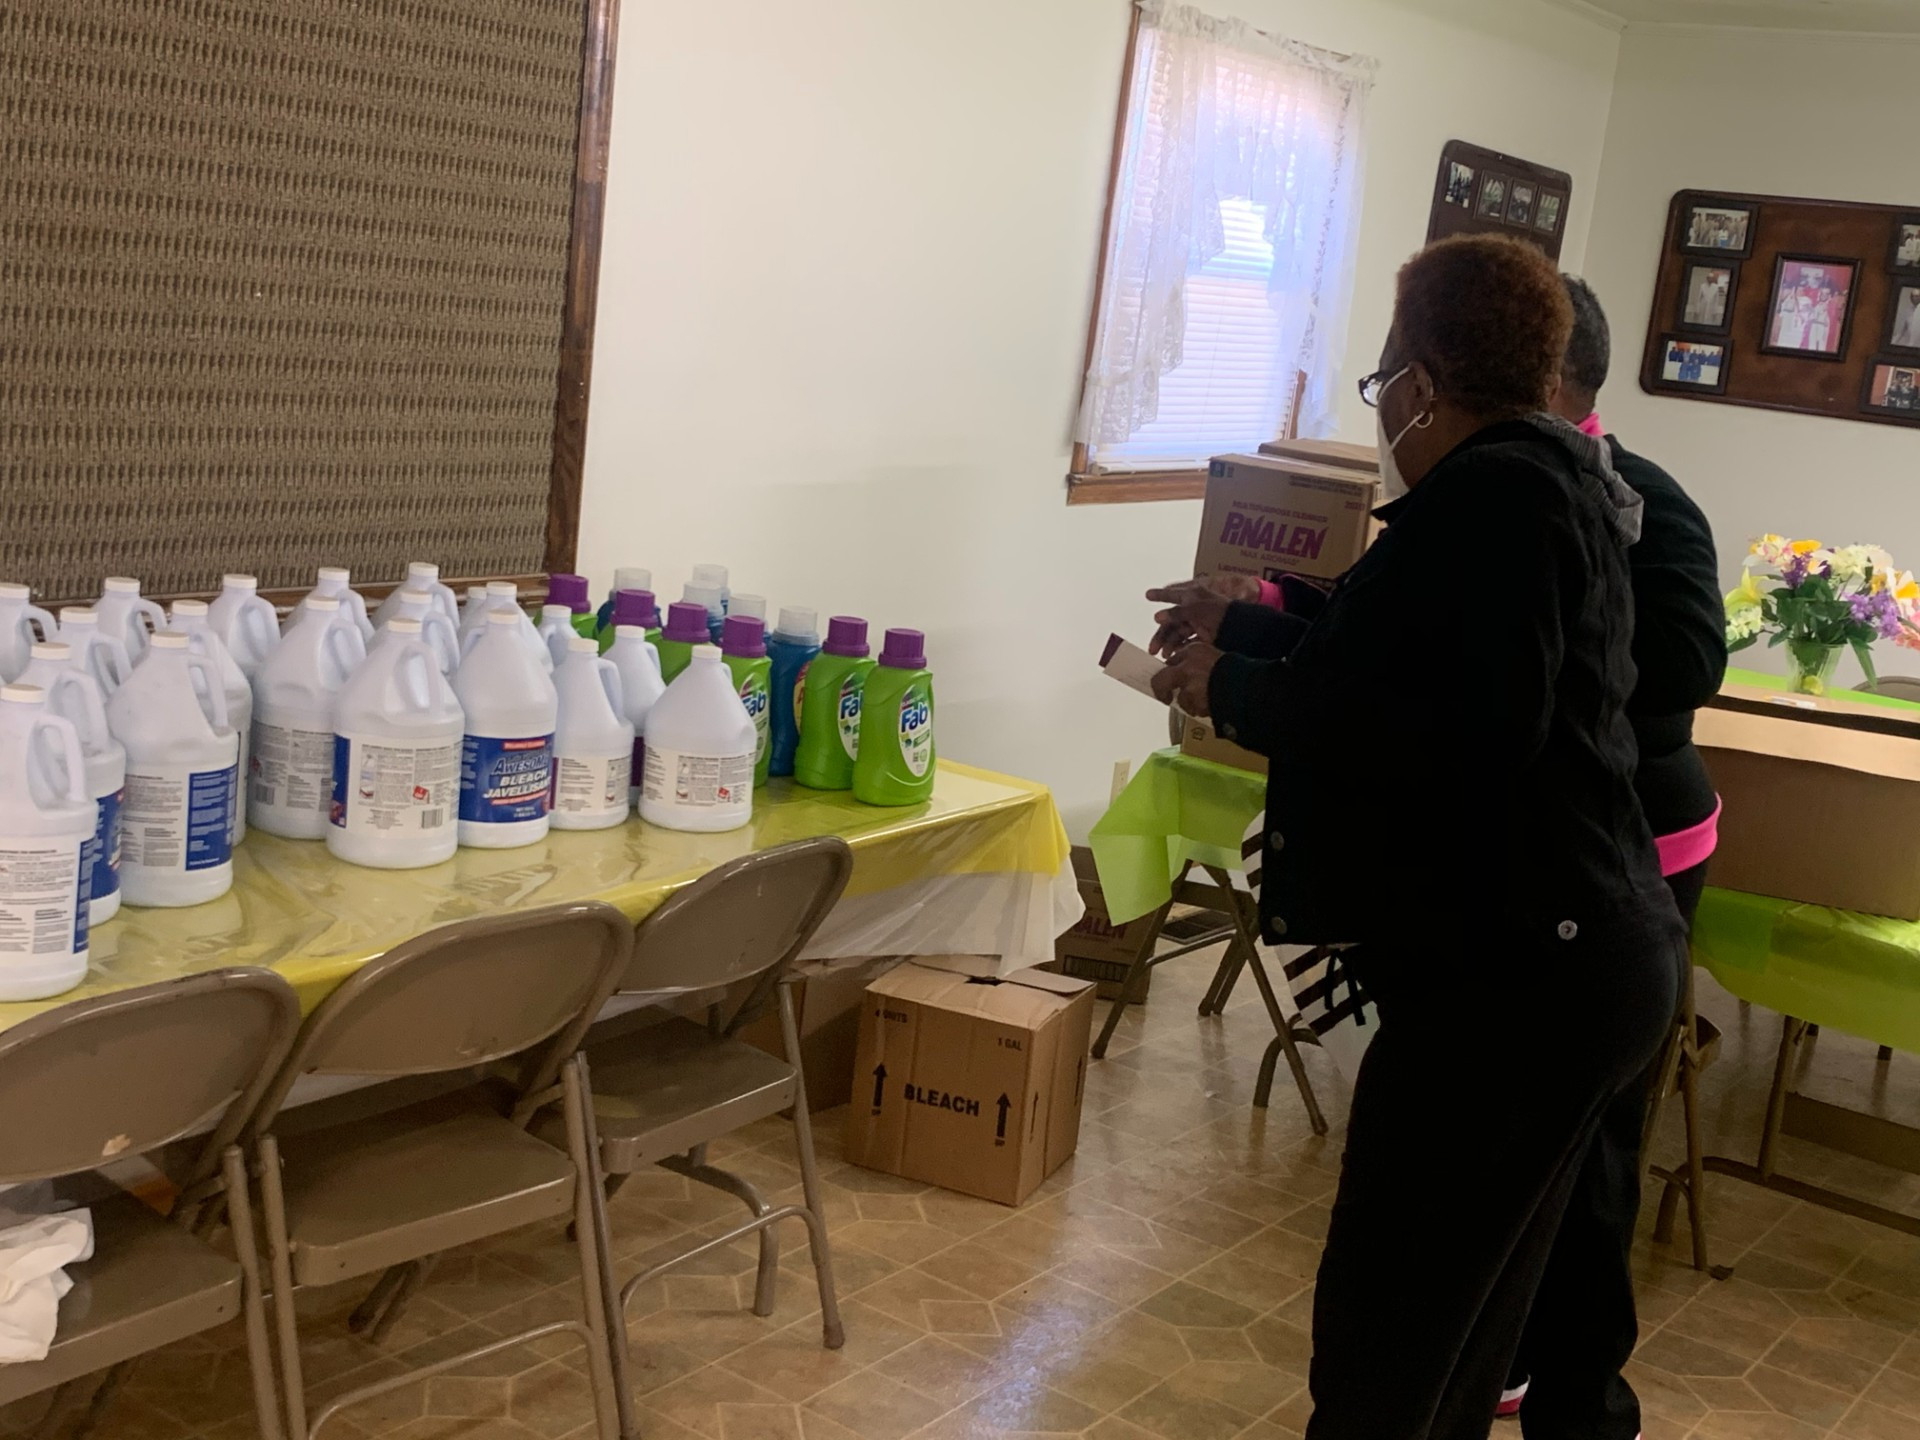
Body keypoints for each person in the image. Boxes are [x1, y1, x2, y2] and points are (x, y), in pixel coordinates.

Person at [1148, 234, 1686, 1440]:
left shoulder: (1497, 500)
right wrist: (1246, 633)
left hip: (1525, 979)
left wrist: (1232, 691)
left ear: (1423, 384)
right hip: (1572, 956)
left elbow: (1455, 731)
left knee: (1389, 1334)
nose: (1381, 404)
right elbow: (1413, 655)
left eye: (1382, 378)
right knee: (1458, 1325)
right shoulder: (1546, 481)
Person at [1493, 276, 1726, 1439]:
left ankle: (1582, 1397)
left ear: (1547, 375)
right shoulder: (1489, 489)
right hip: (1526, 851)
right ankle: (1505, 1348)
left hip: (1637, 853)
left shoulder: (1647, 503)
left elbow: (1684, 670)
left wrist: (1550, 650)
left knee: (1594, 1139)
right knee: (1504, 1123)